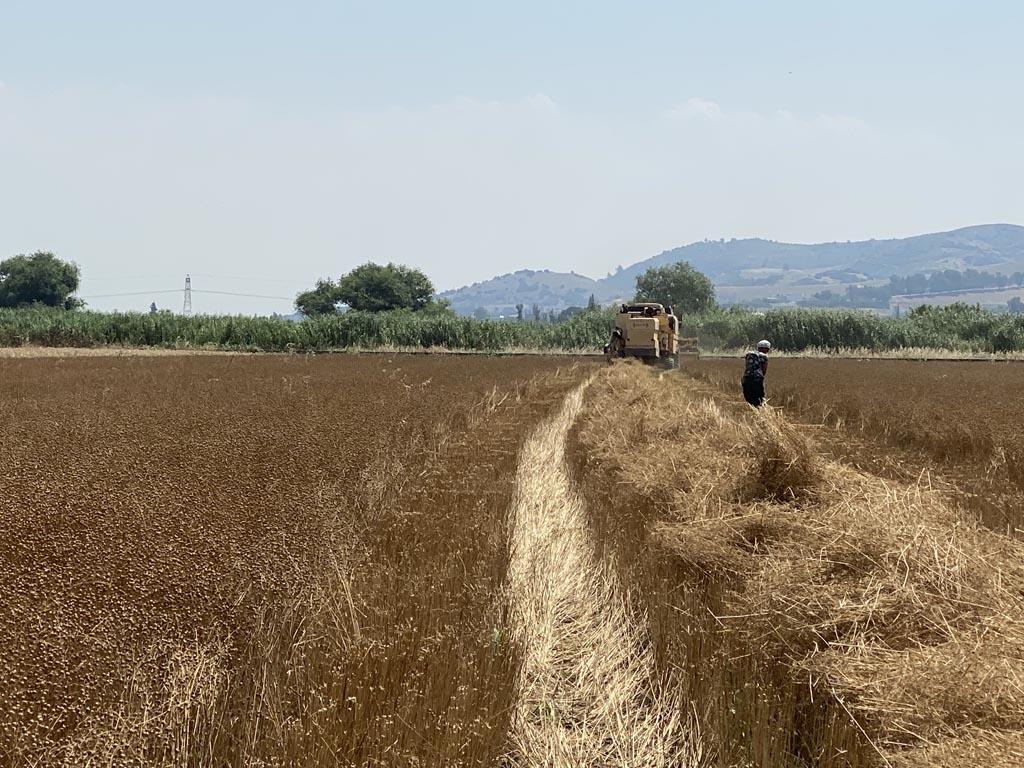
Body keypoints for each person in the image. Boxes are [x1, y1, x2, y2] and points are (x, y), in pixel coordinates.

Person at [741, 339, 771, 406]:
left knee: (749, 398)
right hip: (757, 379)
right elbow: (764, 370)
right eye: (768, 349)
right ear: (765, 348)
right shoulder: (764, 356)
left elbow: (747, 366)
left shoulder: (748, 354)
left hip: (746, 378)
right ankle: (761, 412)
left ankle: (753, 410)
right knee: (760, 398)